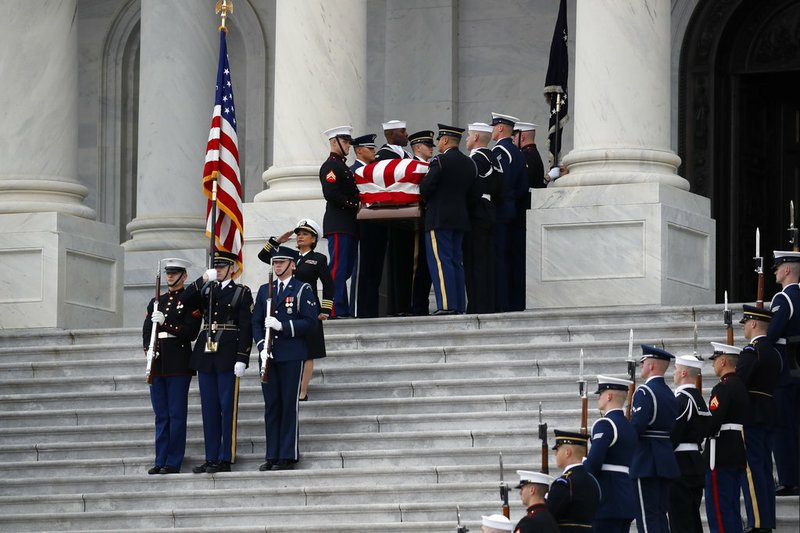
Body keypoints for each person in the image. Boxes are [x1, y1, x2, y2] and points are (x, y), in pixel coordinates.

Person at [184, 250, 253, 474]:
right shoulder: (206, 289)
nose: (219, 271)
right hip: (206, 355)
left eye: (222, 268)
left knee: (226, 407)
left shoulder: (241, 293)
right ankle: (210, 456)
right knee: (209, 409)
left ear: (232, 269)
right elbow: (184, 300)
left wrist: (242, 358)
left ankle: (225, 456)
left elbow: (246, 327)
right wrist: (204, 279)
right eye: (216, 268)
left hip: (228, 354)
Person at [252, 246, 319, 471]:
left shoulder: (302, 289)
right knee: (271, 405)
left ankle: (287, 455)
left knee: (288, 404)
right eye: (275, 262)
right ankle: (272, 454)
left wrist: (283, 326)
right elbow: (255, 321)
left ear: (292, 264)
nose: (277, 266)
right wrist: (261, 345)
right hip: (268, 355)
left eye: (282, 262)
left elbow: (310, 323)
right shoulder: (264, 290)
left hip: (292, 353)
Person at [258, 218, 333, 401]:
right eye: (298, 234)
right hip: (287, 310)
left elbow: (329, 284)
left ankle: (303, 390)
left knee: (310, 351)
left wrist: (326, 309)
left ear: (313, 239)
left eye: (305, 234)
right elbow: (263, 256)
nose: (300, 237)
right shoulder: (288, 255)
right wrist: (276, 241)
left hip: (309, 310)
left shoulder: (318, 259)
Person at [142, 258, 201, 475]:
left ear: (184, 276)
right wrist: (148, 349)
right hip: (158, 362)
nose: (169, 276)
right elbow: (147, 329)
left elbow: (190, 332)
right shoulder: (156, 300)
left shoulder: (190, 302)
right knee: (161, 414)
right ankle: (160, 459)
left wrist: (165, 322)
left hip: (178, 362)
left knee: (176, 414)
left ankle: (173, 461)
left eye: (175, 273)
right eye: (168, 273)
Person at [355, 120, 411, 318]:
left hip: (398, 219)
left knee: (387, 267)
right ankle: (366, 311)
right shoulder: (384, 157)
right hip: (376, 219)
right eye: (402, 131)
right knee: (371, 268)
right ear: (391, 134)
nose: (406, 134)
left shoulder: (405, 155)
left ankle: (394, 306)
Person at [419, 124, 476, 315]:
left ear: (444, 140)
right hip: (460, 219)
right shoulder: (469, 163)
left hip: (439, 219)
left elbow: (426, 187)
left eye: (438, 141)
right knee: (455, 262)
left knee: (441, 262)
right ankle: (459, 304)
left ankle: (446, 304)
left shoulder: (440, 161)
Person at [738, 304, 782, 531]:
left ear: (753, 323)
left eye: (745, 323)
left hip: (751, 415)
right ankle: (766, 520)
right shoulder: (775, 353)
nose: (744, 327)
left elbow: (738, 384)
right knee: (764, 469)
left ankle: (757, 522)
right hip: (770, 413)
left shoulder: (750, 352)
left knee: (752, 469)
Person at [629, 345, 679, 533]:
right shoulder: (670, 394)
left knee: (646, 516)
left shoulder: (644, 392)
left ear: (651, 366)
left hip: (645, 460)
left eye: (643, 363)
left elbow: (637, 427)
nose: (641, 366)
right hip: (664, 457)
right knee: (659, 514)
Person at [704, 342, 748, 533]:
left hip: (720, 454)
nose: (714, 364)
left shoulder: (722, 388)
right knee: (731, 509)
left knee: (719, 511)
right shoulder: (740, 385)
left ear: (723, 361)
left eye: (715, 360)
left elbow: (713, 423)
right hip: (737, 450)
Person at [583, 375, 637, 533]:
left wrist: (581, 464)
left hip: (607, 500)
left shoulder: (605, 424)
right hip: (625, 498)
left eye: (600, 393)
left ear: (609, 396)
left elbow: (593, 464)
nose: (598, 397)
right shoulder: (629, 426)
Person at [767, 250, 800, 497]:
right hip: (796, 367)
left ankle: (789, 479)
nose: (775, 272)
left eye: (778, 267)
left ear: (787, 270)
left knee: (782, 427)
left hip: (785, 371)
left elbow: (771, 334)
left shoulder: (784, 298)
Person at [319, 125, 359, 319]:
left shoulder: (342, 166)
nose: (348, 146)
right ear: (334, 142)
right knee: (337, 268)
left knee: (345, 268)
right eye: (345, 142)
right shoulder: (331, 166)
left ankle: (342, 307)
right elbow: (331, 194)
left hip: (348, 224)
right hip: (338, 223)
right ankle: (334, 309)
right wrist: (355, 204)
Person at [668, 354, 711, 533]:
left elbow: (673, 434)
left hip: (681, 464)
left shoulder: (682, 400)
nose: (674, 373)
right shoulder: (698, 399)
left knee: (680, 521)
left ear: (684, 372)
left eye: (676, 369)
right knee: (691, 517)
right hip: (694, 461)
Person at [490, 112, 528, 312]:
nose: (492, 130)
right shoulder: (517, 151)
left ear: (501, 128)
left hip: (502, 211)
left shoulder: (501, 151)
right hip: (512, 209)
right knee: (511, 258)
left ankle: (502, 302)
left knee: (500, 258)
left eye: (494, 127)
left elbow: (502, 183)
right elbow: (522, 186)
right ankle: (513, 302)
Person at [464, 122, 503, 314]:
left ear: (476, 137)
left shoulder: (476, 159)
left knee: (475, 261)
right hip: (489, 209)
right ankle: (488, 303)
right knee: (486, 260)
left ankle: (477, 305)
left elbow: (473, 187)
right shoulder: (493, 157)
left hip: (477, 211)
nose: (467, 139)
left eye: (469, 135)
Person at [546, 430, 600, 531]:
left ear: (568, 452)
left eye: (557, 450)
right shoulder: (593, 481)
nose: (555, 454)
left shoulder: (565, 482)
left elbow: (549, 516)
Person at [407, 129, 434, 315]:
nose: (431, 148)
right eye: (427, 145)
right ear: (417, 147)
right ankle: (415, 305)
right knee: (417, 265)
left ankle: (421, 304)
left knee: (426, 265)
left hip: (428, 220)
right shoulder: (412, 167)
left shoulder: (430, 166)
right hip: (417, 222)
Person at [513, 121, 547, 190]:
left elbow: (525, 182)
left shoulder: (526, 155)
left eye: (515, 136)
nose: (513, 139)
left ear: (522, 137)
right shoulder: (532, 152)